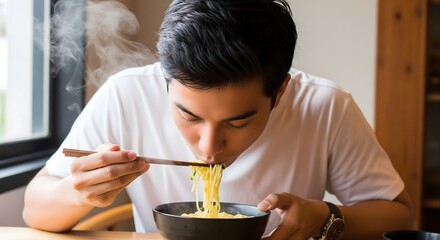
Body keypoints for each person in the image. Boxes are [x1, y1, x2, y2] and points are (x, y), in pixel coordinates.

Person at [23, 0, 413, 239]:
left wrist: (327, 217)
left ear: (279, 93)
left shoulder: (325, 105)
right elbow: (35, 210)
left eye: (238, 122)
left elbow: (398, 213)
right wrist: (80, 191)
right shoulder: (127, 94)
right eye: (187, 115)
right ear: (165, 80)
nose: (208, 148)